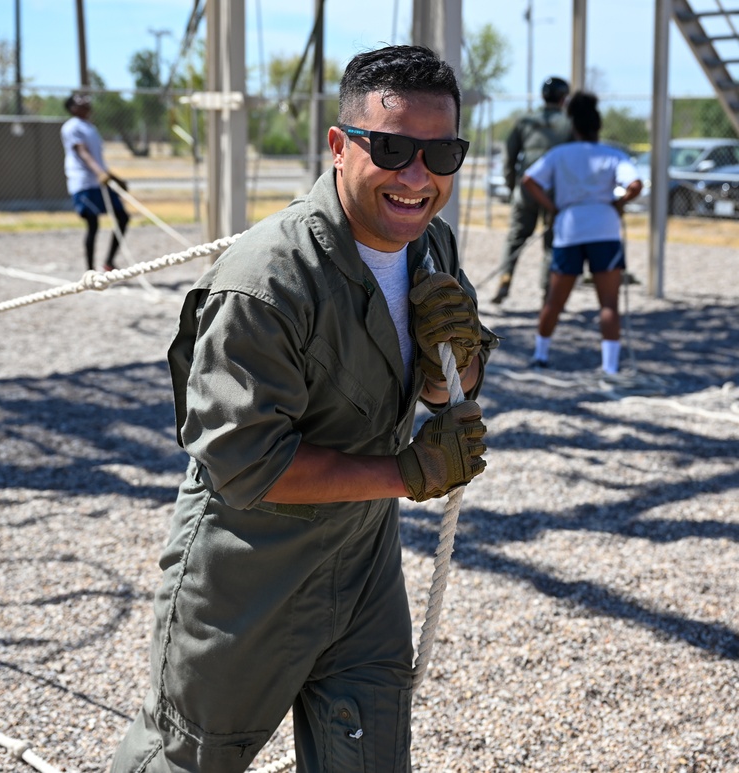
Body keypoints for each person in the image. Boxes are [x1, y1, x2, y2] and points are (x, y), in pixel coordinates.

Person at [111, 45, 498, 773]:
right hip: (249, 571)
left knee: (370, 757)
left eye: (441, 152)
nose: (418, 176)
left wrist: (456, 358)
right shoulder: (267, 280)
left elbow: (450, 383)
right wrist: (409, 472)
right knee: (191, 757)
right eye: (392, 148)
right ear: (339, 145)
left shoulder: (432, 245)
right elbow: (245, 464)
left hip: (364, 564)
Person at [521, 91, 642, 375]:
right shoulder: (613, 154)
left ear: (573, 125)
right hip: (605, 227)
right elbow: (635, 184)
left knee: (555, 299)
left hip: (569, 226)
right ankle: (610, 368)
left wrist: (554, 207)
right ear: (598, 126)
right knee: (609, 302)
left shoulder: (559, 154)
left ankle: (541, 356)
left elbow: (529, 180)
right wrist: (619, 202)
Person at [490, 76, 574, 304]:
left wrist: (512, 187)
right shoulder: (570, 122)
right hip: (555, 193)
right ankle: (548, 292)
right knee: (553, 241)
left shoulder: (525, 121)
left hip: (525, 189)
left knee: (516, 237)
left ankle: (504, 282)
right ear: (564, 98)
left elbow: (509, 156)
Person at [60, 92, 130, 272]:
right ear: (72, 108)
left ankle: (108, 263)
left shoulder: (90, 127)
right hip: (84, 182)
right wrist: (101, 174)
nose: (86, 101)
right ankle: (90, 272)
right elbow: (82, 153)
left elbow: (97, 158)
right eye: (79, 100)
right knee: (93, 224)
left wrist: (114, 178)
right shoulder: (72, 127)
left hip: (99, 181)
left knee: (122, 217)